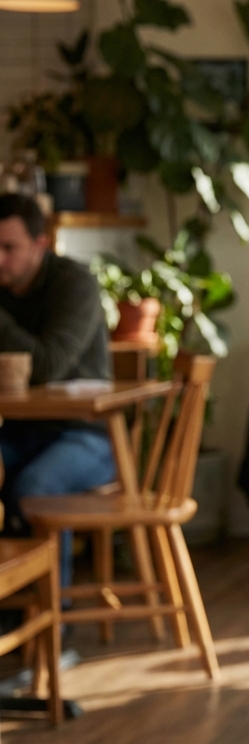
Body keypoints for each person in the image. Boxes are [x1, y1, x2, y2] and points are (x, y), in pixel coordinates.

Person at [0, 193, 114, 585]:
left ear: (40, 244)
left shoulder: (74, 284)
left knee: (35, 487)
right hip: (17, 430)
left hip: (88, 434)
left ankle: (53, 625)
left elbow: (48, 365)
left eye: (8, 248)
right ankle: (12, 601)